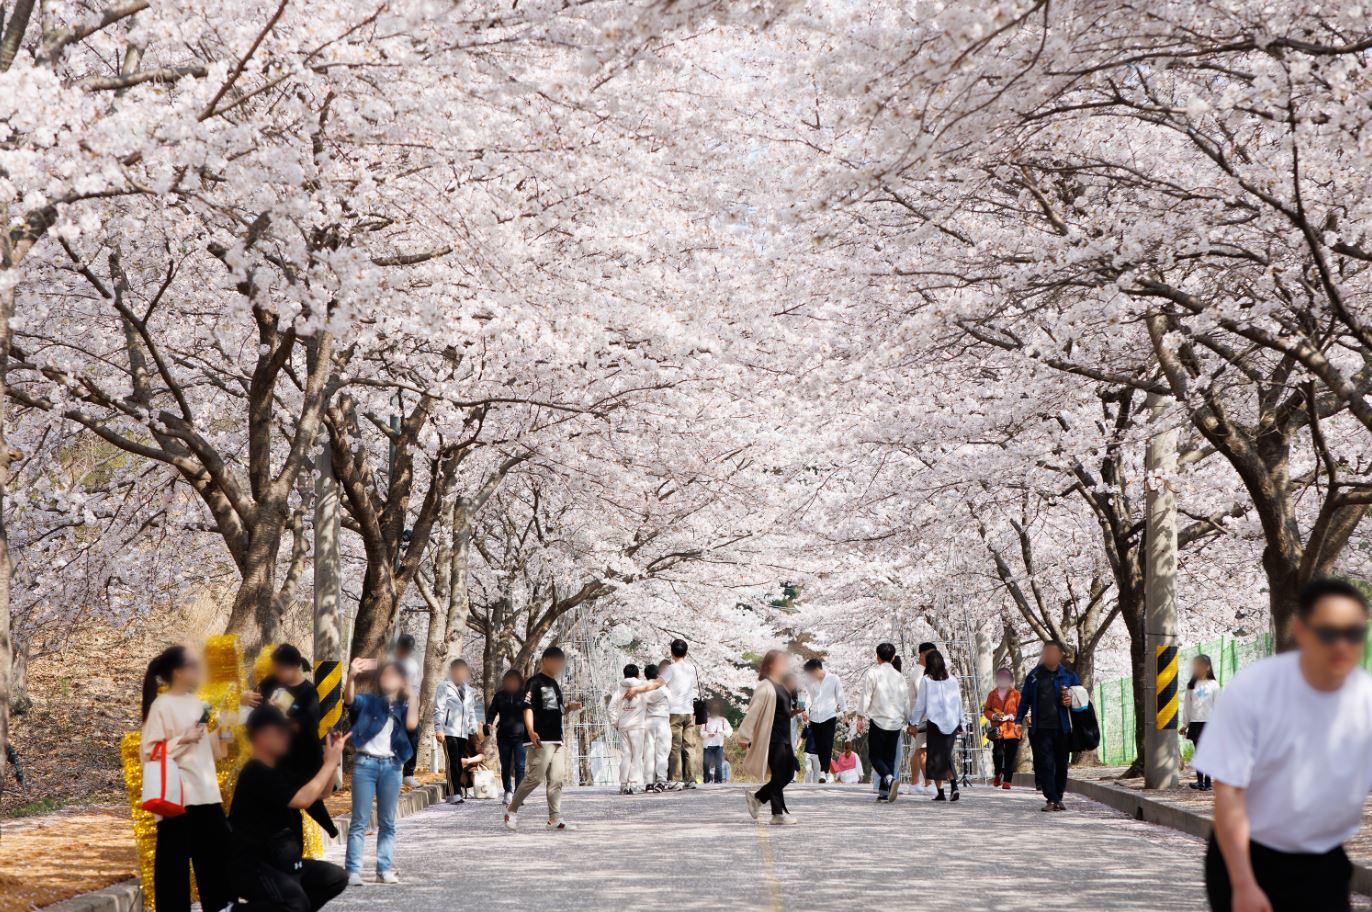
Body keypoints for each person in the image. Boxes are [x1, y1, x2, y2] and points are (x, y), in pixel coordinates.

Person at [1196, 578, 1372, 912]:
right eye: (1328, 633)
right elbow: (1228, 795)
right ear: (1301, 631)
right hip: (1251, 856)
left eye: (1352, 633)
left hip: (1324, 860)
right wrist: (1243, 884)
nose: (1341, 645)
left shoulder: (1365, 698)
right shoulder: (1254, 690)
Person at [140, 646, 234, 912]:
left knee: (217, 866)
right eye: (193, 665)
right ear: (178, 672)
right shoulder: (161, 705)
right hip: (178, 798)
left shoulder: (199, 704)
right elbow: (148, 752)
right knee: (173, 873)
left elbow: (210, 751)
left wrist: (224, 732)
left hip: (207, 794)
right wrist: (184, 738)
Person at [230, 705, 349, 912]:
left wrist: (333, 760)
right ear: (261, 736)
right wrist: (328, 764)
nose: (286, 736)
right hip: (252, 867)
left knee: (335, 878)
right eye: (280, 732)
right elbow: (302, 800)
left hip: (283, 863)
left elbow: (321, 793)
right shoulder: (255, 771)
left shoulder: (281, 769)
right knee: (295, 902)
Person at [343, 657, 418, 885]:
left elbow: (412, 725)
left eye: (394, 675)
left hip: (391, 766)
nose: (388, 678)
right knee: (359, 820)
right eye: (385, 674)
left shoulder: (403, 707)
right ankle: (352, 871)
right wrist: (351, 676)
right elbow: (349, 701)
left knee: (388, 822)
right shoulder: (369, 701)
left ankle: (383, 869)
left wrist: (412, 694)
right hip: (365, 764)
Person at [258, 644, 338, 838]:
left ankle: (329, 828)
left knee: (307, 797)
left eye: (281, 668)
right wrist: (246, 700)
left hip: (304, 754)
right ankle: (293, 843)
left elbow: (306, 725)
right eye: (275, 667)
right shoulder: (270, 683)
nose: (277, 672)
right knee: (287, 806)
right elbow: (257, 707)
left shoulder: (308, 692)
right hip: (278, 755)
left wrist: (280, 718)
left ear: (294, 667)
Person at [504, 646, 583, 832]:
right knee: (535, 777)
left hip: (557, 739)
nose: (559, 666)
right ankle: (511, 811)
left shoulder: (554, 684)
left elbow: (558, 710)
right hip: (541, 738)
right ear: (546, 661)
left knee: (556, 779)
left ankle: (554, 819)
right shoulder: (535, 682)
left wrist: (569, 707)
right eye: (557, 662)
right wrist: (531, 731)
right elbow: (527, 707)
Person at [1015, 641, 1079, 812]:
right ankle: (1051, 798)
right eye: (1047, 652)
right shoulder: (1034, 676)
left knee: (1062, 764)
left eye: (1053, 653)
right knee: (1045, 764)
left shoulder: (1069, 676)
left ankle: (1059, 796)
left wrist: (1071, 700)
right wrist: (1018, 721)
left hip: (1063, 728)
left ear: (1059, 655)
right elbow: (1025, 699)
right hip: (1041, 728)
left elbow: (1081, 698)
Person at [736, 649, 799, 825]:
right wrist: (744, 736)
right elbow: (753, 712)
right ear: (770, 665)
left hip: (785, 737)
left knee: (789, 773)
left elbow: (780, 711)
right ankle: (777, 814)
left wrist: (794, 712)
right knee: (779, 774)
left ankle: (758, 798)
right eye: (781, 662)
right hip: (772, 737)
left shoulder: (782, 686)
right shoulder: (765, 686)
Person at [630, 639, 702, 789]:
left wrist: (637, 689)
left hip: (674, 712)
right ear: (686, 653)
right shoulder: (692, 668)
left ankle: (675, 779)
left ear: (672, 653)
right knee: (689, 746)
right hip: (689, 711)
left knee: (675, 746)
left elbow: (657, 684)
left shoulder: (671, 669)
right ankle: (690, 779)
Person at [856, 642, 910, 802]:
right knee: (889, 757)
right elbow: (906, 701)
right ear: (893, 658)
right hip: (896, 722)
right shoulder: (900, 677)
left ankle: (889, 779)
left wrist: (860, 717)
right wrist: (909, 720)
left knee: (875, 756)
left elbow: (866, 696)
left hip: (878, 720)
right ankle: (884, 792)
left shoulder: (873, 673)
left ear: (877, 657)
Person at [909, 649, 963, 802]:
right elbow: (958, 703)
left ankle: (942, 792)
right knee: (945, 754)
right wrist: (962, 722)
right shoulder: (953, 680)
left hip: (934, 723)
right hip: (952, 722)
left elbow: (921, 705)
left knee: (935, 757)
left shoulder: (926, 680)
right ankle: (953, 786)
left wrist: (913, 722)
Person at [433, 659, 480, 804]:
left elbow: (471, 711)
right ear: (452, 671)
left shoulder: (469, 690)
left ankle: (450, 792)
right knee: (452, 761)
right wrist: (439, 729)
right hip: (448, 731)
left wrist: (473, 727)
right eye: (457, 671)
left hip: (463, 733)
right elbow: (439, 709)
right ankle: (456, 793)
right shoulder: (444, 687)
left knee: (458, 763)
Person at [486, 669, 528, 804]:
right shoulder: (499, 696)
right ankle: (508, 791)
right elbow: (492, 711)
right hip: (504, 735)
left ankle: (519, 793)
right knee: (505, 765)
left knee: (520, 765)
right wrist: (489, 723)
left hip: (521, 736)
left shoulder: (525, 695)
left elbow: (532, 713)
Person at [803, 658, 846, 784]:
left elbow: (841, 697)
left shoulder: (834, 679)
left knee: (827, 744)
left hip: (829, 715)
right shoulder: (810, 682)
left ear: (817, 669)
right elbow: (809, 697)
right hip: (815, 716)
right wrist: (805, 710)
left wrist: (845, 713)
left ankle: (823, 771)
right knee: (819, 745)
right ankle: (825, 770)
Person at [1182, 654, 1219, 792]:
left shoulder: (1214, 684)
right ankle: (1200, 782)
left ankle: (1207, 782)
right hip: (1195, 723)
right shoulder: (1191, 685)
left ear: (1208, 667)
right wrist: (1185, 724)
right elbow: (1187, 706)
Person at [391, 635, 423, 788]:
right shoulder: (390, 662)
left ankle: (408, 775)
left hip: (409, 706)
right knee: (392, 739)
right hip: (392, 706)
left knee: (413, 737)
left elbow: (415, 687)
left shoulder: (412, 665)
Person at [982, 667, 1021, 790]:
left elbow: (1021, 710)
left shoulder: (1015, 694)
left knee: (1010, 756)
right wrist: (994, 716)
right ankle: (998, 773)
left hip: (1012, 729)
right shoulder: (992, 694)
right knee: (998, 754)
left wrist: (1010, 716)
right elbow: (986, 710)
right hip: (997, 730)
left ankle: (1007, 780)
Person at [611, 663, 647, 795]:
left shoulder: (620, 690)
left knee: (625, 755)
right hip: (637, 726)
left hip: (623, 725)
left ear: (624, 675)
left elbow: (611, 708)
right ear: (638, 675)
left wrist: (616, 723)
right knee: (637, 755)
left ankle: (623, 784)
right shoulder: (643, 688)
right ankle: (634, 783)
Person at [640, 661, 673, 792]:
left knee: (648, 753)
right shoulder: (664, 689)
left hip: (648, 722)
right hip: (662, 722)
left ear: (645, 675)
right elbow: (673, 703)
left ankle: (649, 782)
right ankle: (661, 781)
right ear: (658, 675)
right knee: (662, 753)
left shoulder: (643, 689)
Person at [701, 698, 732, 784]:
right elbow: (701, 732)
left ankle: (718, 781)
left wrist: (723, 732)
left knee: (718, 765)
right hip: (708, 745)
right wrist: (708, 734)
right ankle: (706, 780)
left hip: (719, 745)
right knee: (706, 763)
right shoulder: (706, 720)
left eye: (716, 708)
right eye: (713, 708)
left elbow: (730, 730)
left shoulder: (723, 720)